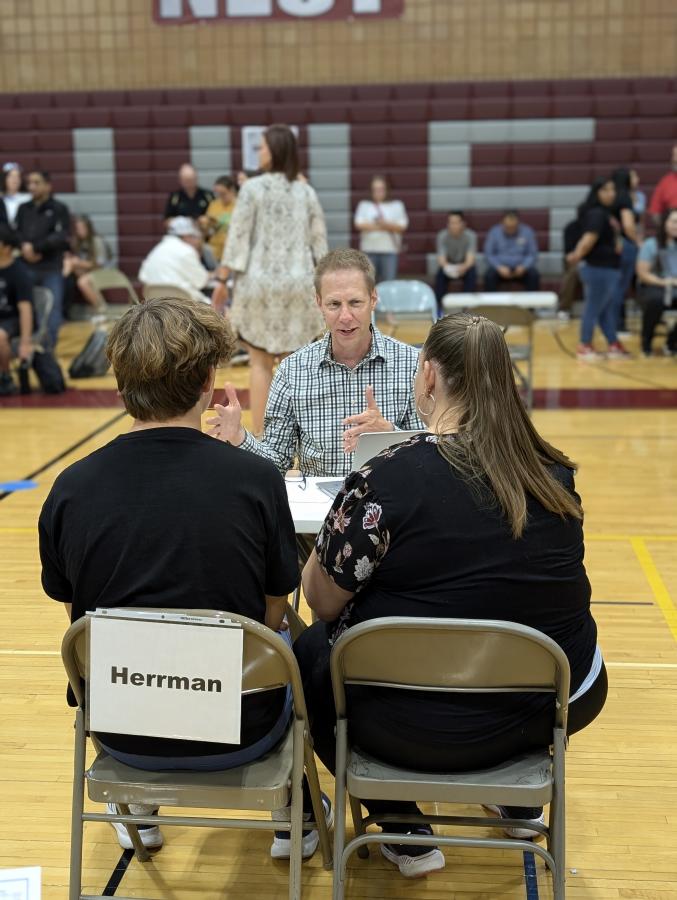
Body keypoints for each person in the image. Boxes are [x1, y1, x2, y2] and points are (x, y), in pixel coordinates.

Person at [295, 313, 607, 878]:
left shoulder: (384, 477)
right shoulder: (553, 475)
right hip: (540, 714)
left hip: (408, 723)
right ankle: (517, 797)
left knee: (310, 655)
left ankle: (400, 822)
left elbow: (321, 599)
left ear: (430, 376)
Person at [38, 297, 305, 855]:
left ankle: (136, 805)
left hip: (121, 729)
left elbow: (79, 616)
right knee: (302, 639)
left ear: (120, 381)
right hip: (242, 726)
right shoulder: (256, 480)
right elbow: (274, 610)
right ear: (209, 379)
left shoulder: (71, 487)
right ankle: (294, 815)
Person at [208, 249, 421, 480]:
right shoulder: (292, 371)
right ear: (319, 303)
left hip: (392, 507)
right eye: (334, 304)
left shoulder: (412, 364)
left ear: (373, 299)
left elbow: (432, 455)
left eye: (355, 302)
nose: (345, 316)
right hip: (320, 512)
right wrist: (240, 436)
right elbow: (276, 463)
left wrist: (390, 435)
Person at [212, 124, 328, 437]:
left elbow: (237, 239)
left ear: (275, 150)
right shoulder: (306, 191)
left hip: (258, 284)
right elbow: (320, 243)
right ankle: (297, 436)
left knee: (260, 364)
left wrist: (223, 279)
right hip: (298, 284)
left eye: (261, 147)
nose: (258, 152)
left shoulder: (252, 189)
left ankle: (262, 438)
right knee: (295, 367)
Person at [566, 178, 628, 360]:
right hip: (598, 267)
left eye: (613, 189)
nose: (611, 193)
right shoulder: (597, 214)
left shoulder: (606, 214)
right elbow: (589, 239)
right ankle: (584, 345)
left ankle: (613, 344)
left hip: (609, 267)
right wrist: (577, 255)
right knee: (593, 308)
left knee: (605, 310)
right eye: (606, 190)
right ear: (596, 193)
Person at [15, 171, 70, 348]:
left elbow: (61, 236)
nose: (31, 187)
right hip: (26, 267)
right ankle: (28, 349)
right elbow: (16, 232)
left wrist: (37, 248)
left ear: (48, 185)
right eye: (29, 183)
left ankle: (47, 352)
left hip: (50, 268)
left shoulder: (58, 208)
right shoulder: (23, 208)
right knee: (25, 309)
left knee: (51, 312)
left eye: (36, 183)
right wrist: (24, 247)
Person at [138, 217, 210, 304]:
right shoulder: (187, 250)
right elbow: (201, 281)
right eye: (194, 236)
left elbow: (142, 276)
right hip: (185, 306)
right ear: (186, 236)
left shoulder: (158, 249)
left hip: (156, 307)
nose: (196, 241)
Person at [635, 207, 677, 357]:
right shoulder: (651, 244)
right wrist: (666, 282)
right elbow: (643, 273)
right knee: (656, 301)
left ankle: (672, 342)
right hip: (653, 286)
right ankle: (646, 341)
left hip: (674, 289)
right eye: (674, 222)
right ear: (665, 223)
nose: (676, 226)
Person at [354, 175, 408, 283]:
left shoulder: (397, 205)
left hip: (389, 251)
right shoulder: (364, 205)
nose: (378, 192)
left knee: (389, 283)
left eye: (381, 189)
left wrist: (380, 225)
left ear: (387, 190)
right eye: (375, 189)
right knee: (369, 284)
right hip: (369, 251)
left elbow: (402, 226)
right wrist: (386, 226)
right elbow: (359, 224)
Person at [0, 224, 33, 395]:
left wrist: (25, 342)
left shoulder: (18, 272)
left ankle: (5, 377)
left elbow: (26, 309)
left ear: (6, 247)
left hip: (12, 319)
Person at [610, 168, 641, 334]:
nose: (637, 178)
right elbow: (628, 225)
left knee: (616, 287)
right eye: (634, 175)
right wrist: (638, 242)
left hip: (615, 245)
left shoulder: (613, 196)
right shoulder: (625, 197)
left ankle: (613, 324)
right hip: (626, 246)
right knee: (620, 288)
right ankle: (617, 325)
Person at [62, 215, 110, 312]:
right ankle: (61, 283)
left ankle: (101, 308)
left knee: (82, 282)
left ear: (89, 228)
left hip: (103, 272)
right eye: (78, 229)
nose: (80, 231)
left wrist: (79, 262)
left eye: (82, 228)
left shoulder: (96, 241)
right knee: (68, 262)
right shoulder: (78, 242)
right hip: (88, 272)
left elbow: (99, 264)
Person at [483, 210, 540, 292]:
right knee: (489, 276)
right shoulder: (494, 232)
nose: (510, 229)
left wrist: (524, 266)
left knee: (534, 275)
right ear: (502, 224)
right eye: (507, 227)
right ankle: (491, 303)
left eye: (513, 227)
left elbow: (532, 254)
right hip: (500, 268)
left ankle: (532, 304)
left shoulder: (527, 232)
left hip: (521, 268)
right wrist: (499, 267)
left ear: (518, 224)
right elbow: (489, 254)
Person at [433, 210, 477, 311]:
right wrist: (449, 268)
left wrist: (463, 267)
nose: (453, 226)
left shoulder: (471, 236)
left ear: (463, 224)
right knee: (440, 275)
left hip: (465, 265)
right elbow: (441, 259)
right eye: (451, 223)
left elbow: (470, 260)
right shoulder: (442, 236)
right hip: (449, 265)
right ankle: (439, 308)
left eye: (456, 223)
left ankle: (466, 308)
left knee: (472, 273)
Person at [163, 163, 214, 228]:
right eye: (186, 180)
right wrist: (180, 222)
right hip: (180, 234)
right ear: (180, 180)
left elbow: (215, 217)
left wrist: (205, 220)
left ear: (196, 178)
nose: (189, 183)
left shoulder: (207, 195)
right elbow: (166, 220)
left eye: (191, 179)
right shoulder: (175, 197)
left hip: (203, 232)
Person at [205, 175, 237, 264]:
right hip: (215, 251)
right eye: (217, 193)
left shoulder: (239, 205)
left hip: (232, 252)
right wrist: (206, 224)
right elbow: (207, 231)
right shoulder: (214, 205)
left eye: (223, 193)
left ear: (232, 190)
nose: (220, 197)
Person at [648, 145, 677, 223]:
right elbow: (655, 212)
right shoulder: (665, 181)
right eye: (673, 155)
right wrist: (664, 229)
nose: (674, 159)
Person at [1, 162, 30, 227]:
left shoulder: (28, 198)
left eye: (17, 176)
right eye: (11, 176)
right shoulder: (1, 198)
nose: (14, 180)